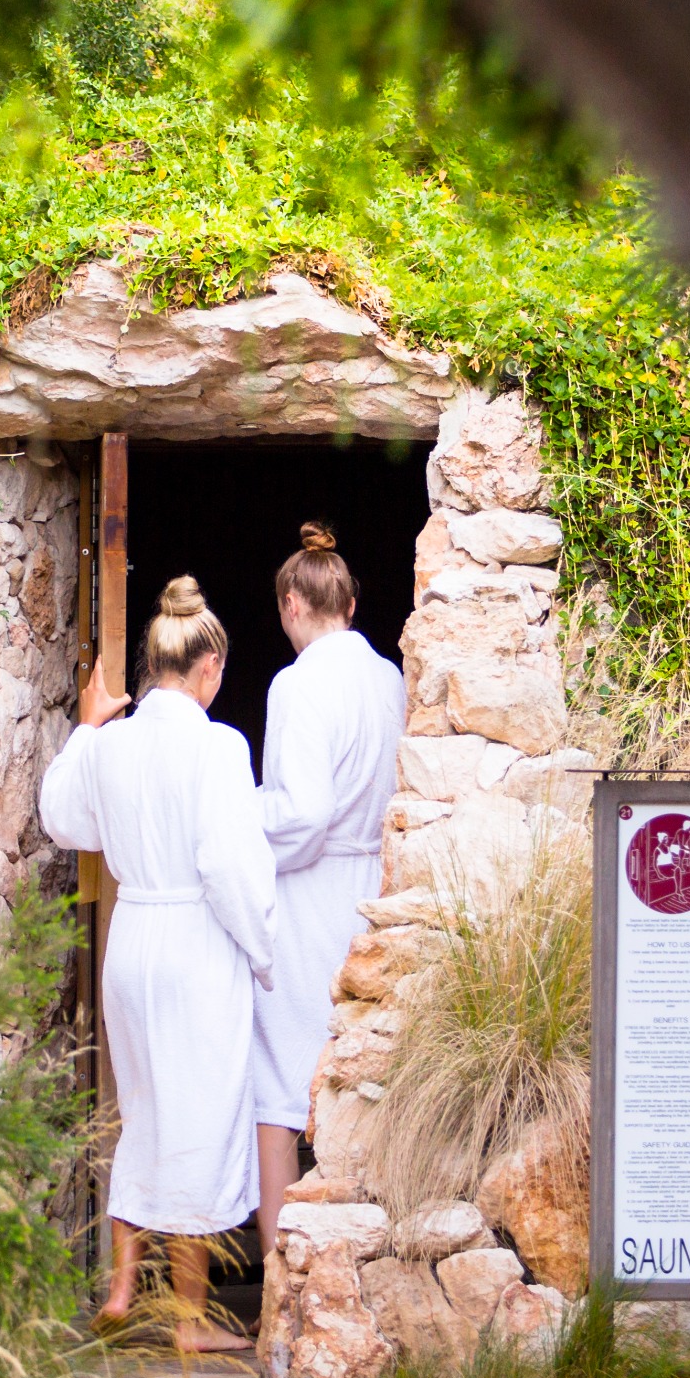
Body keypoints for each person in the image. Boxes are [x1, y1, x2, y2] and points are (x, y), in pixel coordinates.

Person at [40, 576, 276, 1350]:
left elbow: (63, 818)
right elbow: (228, 866)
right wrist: (263, 950)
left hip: (132, 939)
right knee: (197, 1121)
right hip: (195, 943)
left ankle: (118, 1289)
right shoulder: (219, 746)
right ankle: (188, 1319)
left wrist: (85, 729)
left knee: (141, 1112)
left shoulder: (111, 744)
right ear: (208, 667)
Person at [252, 522, 406, 1250]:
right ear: (349, 603)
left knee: (279, 1086)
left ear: (291, 603)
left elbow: (303, 812)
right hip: (371, 889)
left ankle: (282, 1275)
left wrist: (240, 816)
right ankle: (356, 1261)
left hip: (309, 892)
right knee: (361, 1080)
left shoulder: (298, 681)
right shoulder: (389, 677)